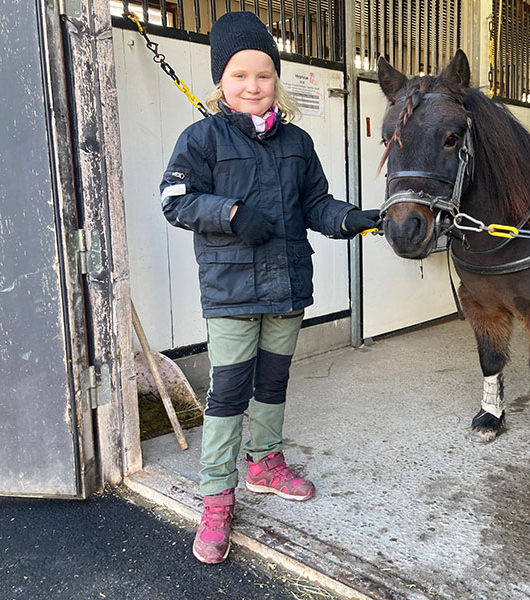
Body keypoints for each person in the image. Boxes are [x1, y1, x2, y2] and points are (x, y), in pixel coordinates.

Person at [159, 11, 380, 565]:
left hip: (286, 287)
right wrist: (232, 213)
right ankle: (216, 497)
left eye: (263, 74)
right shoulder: (202, 138)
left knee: (273, 383)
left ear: (276, 79)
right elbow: (174, 200)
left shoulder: (298, 142)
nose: (252, 86)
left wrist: (351, 218)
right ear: (221, 82)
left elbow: (315, 204)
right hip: (232, 291)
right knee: (228, 392)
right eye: (239, 75)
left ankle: (263, 463)